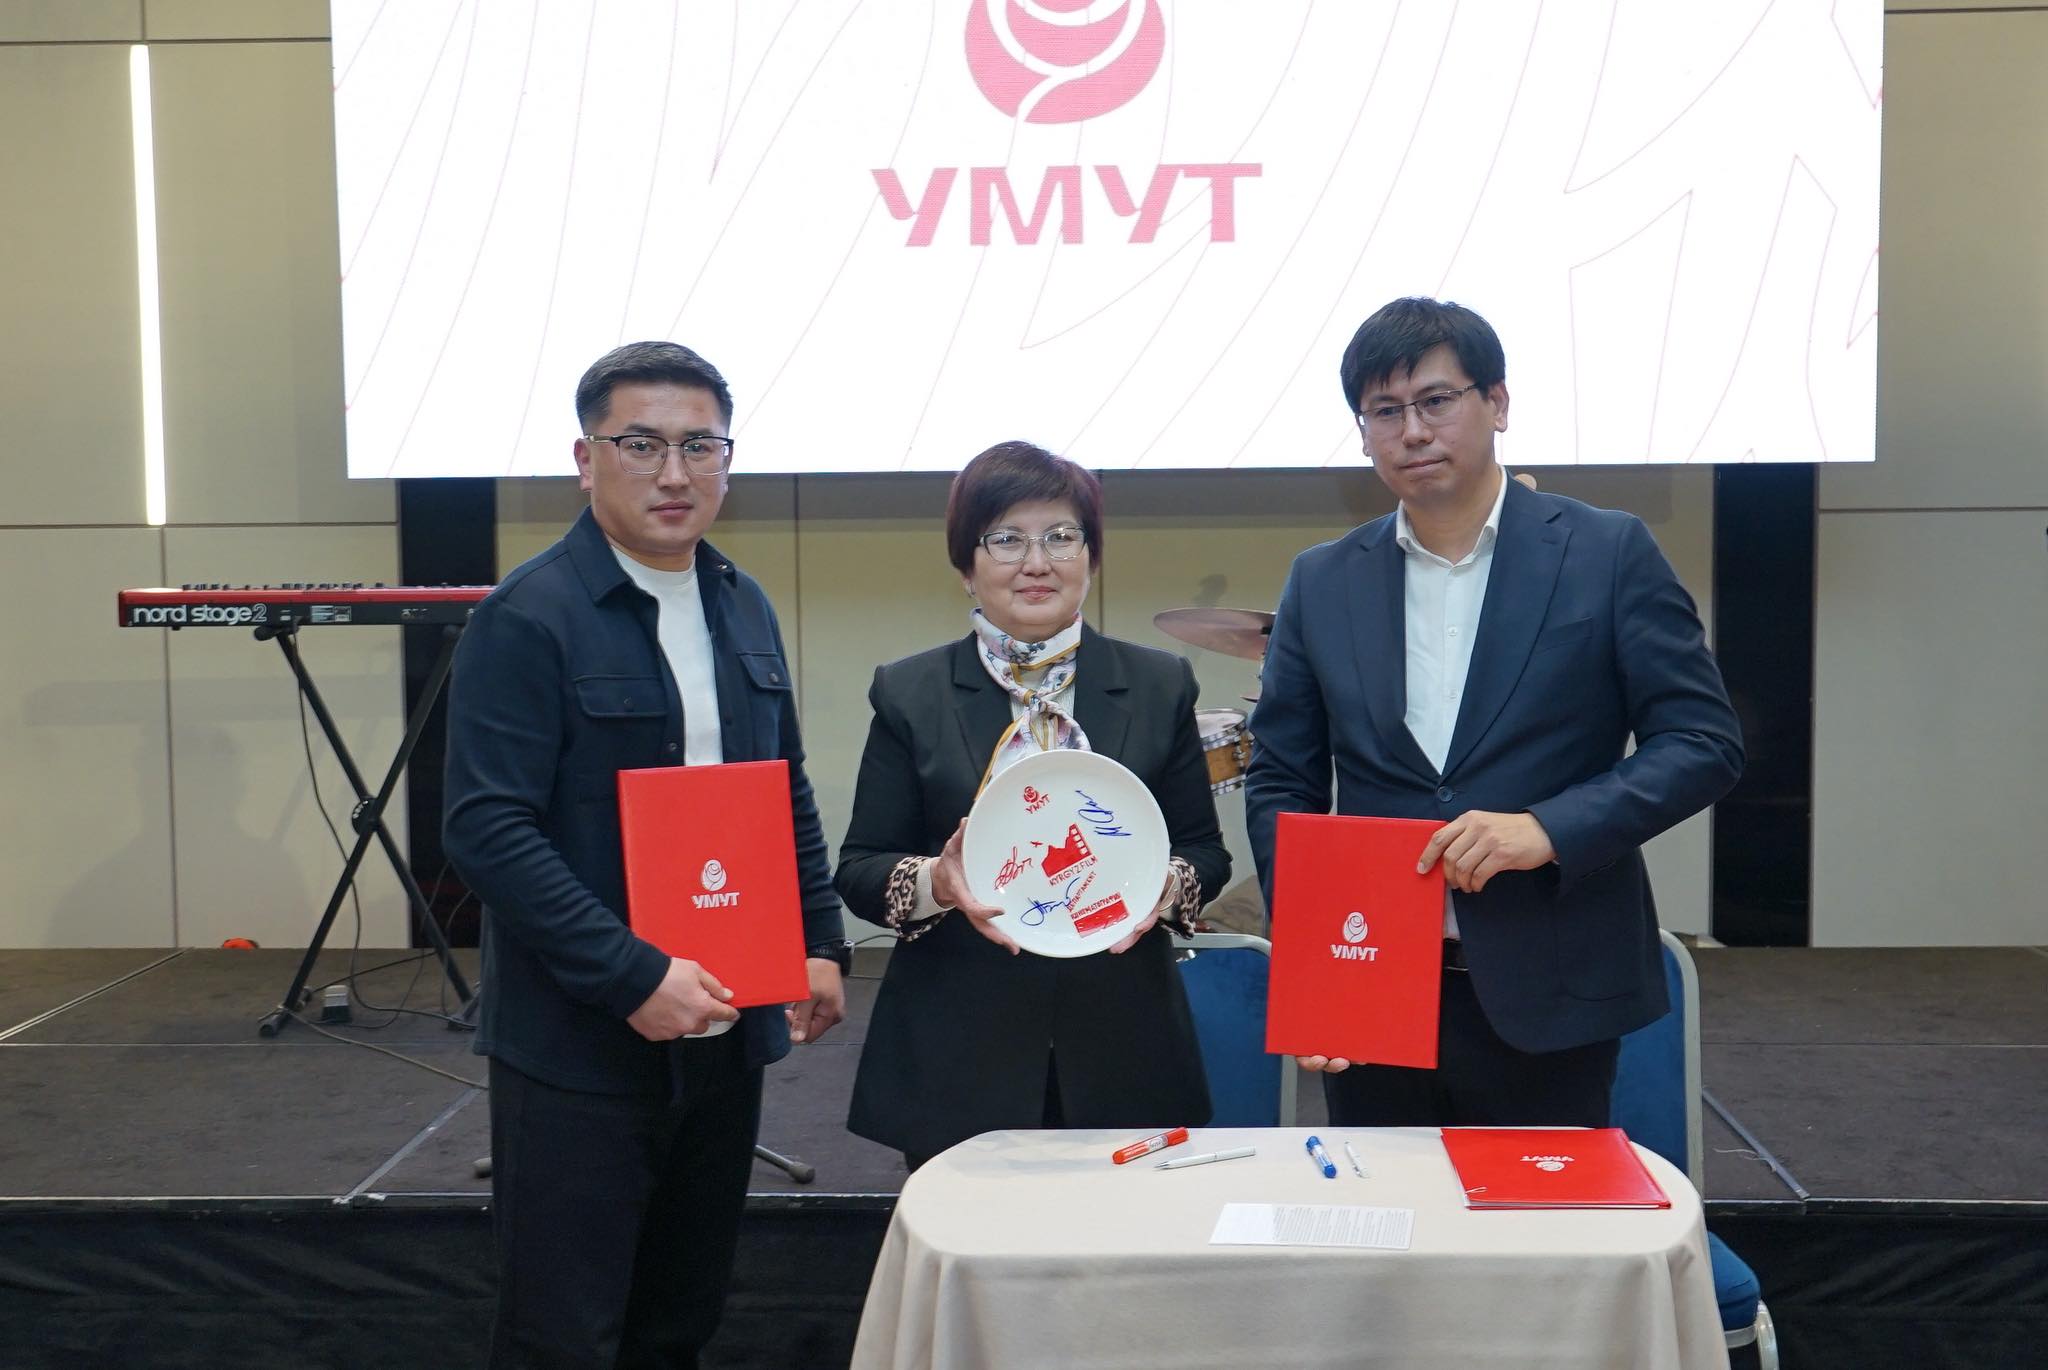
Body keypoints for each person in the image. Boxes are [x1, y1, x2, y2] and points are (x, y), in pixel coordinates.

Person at [442, 341, 850, 1369]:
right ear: (586, 459)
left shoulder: (742, 603)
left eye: (699, 446)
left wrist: (816, 939)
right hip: (579, 1042)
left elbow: (782, 787)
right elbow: (487, 829)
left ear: (726, 460)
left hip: (726, 1023)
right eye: (642, 444)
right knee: (563, 1334)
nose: (674, 472)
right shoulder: (526, 616)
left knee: (678, 1321)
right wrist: (634, 975)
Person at [1245, 297, 1743, 1129]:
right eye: (1385, 411)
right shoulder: (1323, 579)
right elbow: (1281, 782)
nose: (1413, 431)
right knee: (1384, 1208)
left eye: (1437, 400)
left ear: (1498, 403)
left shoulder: (1606, 551)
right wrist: (1314, 961)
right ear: (1362, 433)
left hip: (1554, 979)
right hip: (1370, 982)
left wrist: (1549, 827)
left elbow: (1702, 742)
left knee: (1538, 1213)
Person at [836, 441, 1231, 1169]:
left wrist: (1159, 887)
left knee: (1119, 1240)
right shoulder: (911, 692)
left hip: (1123, 1040)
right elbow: (860, 869)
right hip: (959, 1046)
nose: (1037, 562)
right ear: (966, 565)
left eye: (1060, 537)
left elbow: (1205, 854)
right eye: (1007, 540)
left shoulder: (1159, 685)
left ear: (1091, 556)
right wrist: (938, 882)